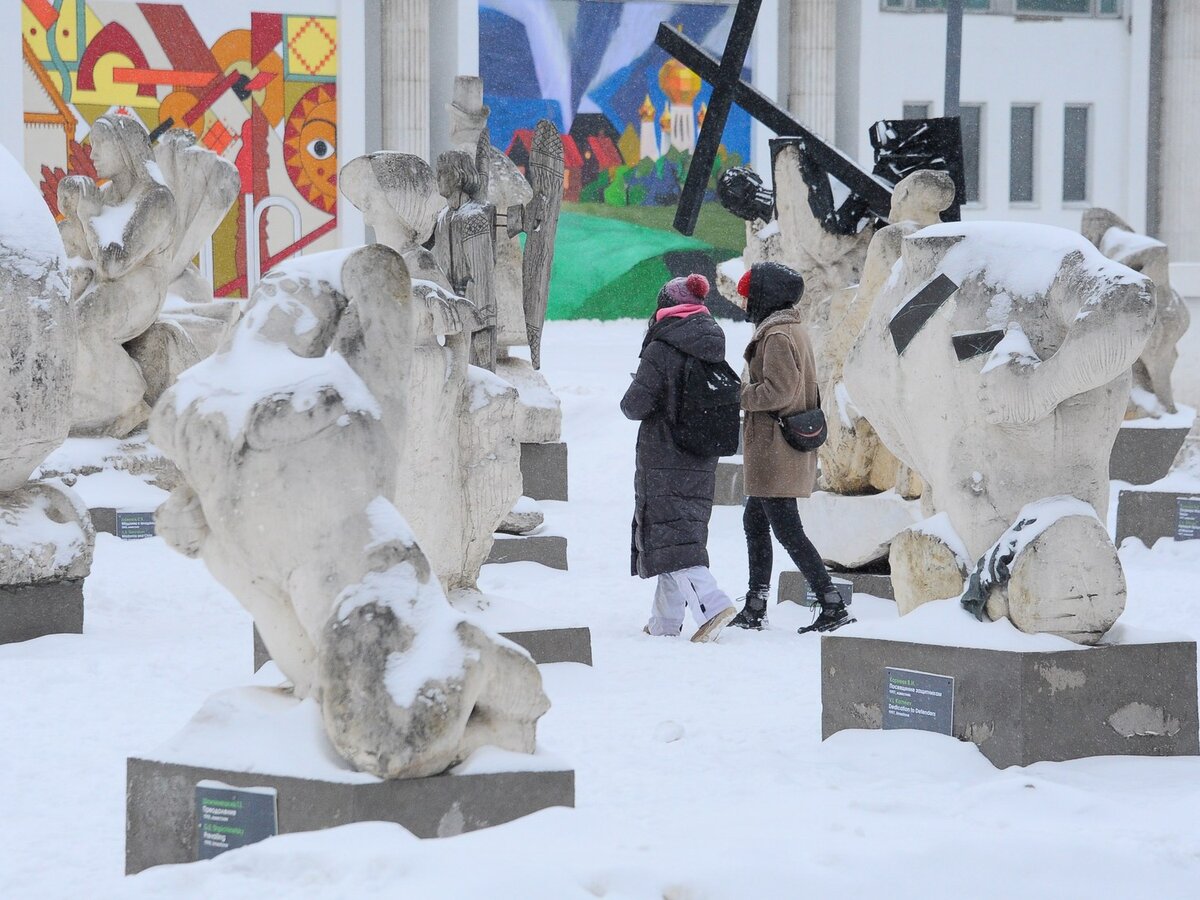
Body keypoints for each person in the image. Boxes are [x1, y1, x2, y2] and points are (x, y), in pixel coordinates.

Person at [730, 261, 854, 634]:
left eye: (750, 295)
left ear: (765, 297)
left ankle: (830, 602)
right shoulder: (788, 329)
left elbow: (779, 391)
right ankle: (756, 603)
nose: (747, 302)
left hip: (776, 447)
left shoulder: (777, 336)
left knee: (787, 530)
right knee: (756, 520)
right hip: (779, 447)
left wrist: (743, 395)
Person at [621, 274, 737, 643]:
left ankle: (713, 605)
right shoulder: (710, 341)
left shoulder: (664, 346)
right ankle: (664, 622)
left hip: (665, 454)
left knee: (675, 537)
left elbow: (633, 405)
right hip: (699, 453)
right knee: (677, 534)